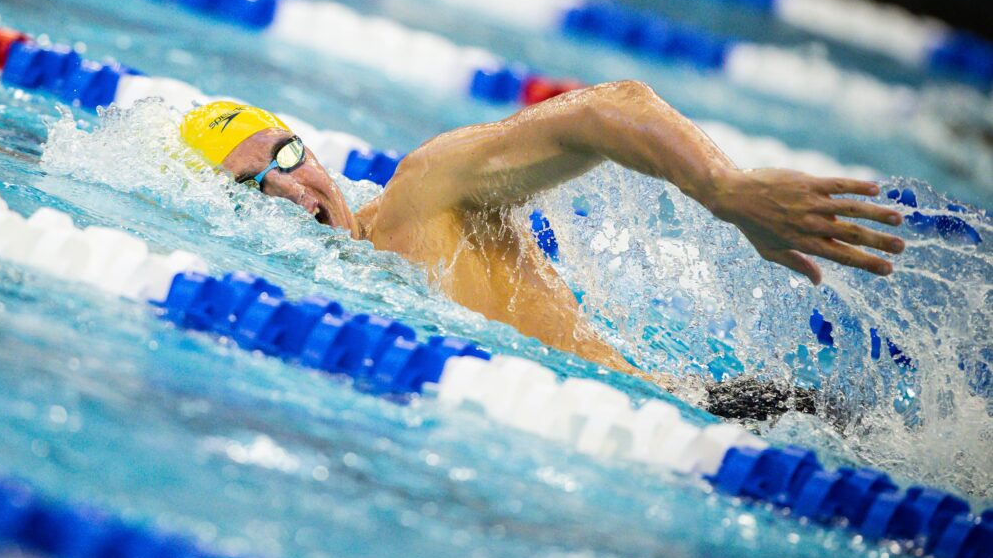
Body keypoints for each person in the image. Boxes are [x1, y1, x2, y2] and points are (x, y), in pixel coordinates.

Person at [181, 81, 906, 379]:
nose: (286, 189)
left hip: (728, 420)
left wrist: (723, 187)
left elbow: (606, 108)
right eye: (248, 190)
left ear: (309, 147)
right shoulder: (335, 307)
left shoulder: (422, 194)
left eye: (284, 157)